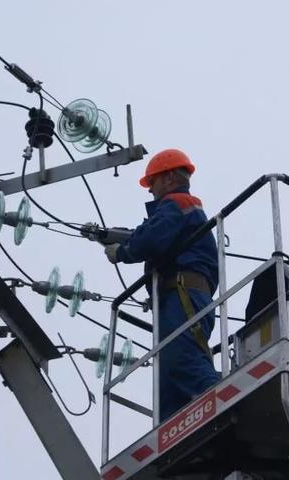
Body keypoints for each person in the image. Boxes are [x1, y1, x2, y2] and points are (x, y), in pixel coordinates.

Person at [103, 148, 221, 421]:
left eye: (152, 182)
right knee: (168, 370)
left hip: (182, 292)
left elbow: (152, 239)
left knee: (182, 357)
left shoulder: (177, 203)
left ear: (168, 178)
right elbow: (153, 234)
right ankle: (173, 426)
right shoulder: (179, 210)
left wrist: (122, 252)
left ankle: (224, 398)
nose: (150, 191)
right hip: (176, 296)